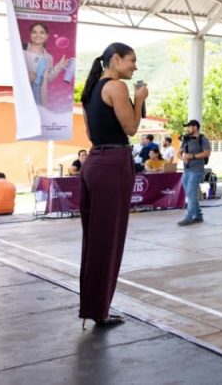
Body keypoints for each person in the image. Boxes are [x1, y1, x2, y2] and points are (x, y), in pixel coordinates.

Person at [78, 42, 147, 328]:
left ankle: (95, 307)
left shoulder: (89, 91)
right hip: (113, 164)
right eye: (132, 61)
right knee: (109, 240)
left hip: (94, 162)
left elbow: (89, 132)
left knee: (95, 240)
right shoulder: (117, 87)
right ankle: (99, 310)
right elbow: (131, 128)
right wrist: (139, 99)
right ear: (116, 59)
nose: (135, 67)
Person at [22, 22, 68, 107]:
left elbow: (48, 78)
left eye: (41, 32)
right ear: (30, 34)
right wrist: (25, 76)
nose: (38, 35)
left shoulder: (48, 57)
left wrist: (59, 66)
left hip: (39, 98)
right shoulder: (21, 49)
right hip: (23, 95)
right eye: (34, 32)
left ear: (47, 36)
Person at [178, 120, 211, 226]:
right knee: (190, 194)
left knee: (191, 194)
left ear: (195, 127)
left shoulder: (202, 139)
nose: (188, 129)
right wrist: (183, 159)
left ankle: (189, 217)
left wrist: (192, 156)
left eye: (189, 127)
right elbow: (179, 153)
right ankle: (198, 215)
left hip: (197, 170)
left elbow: (207, 153)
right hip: (187, 170)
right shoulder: (186, 139)